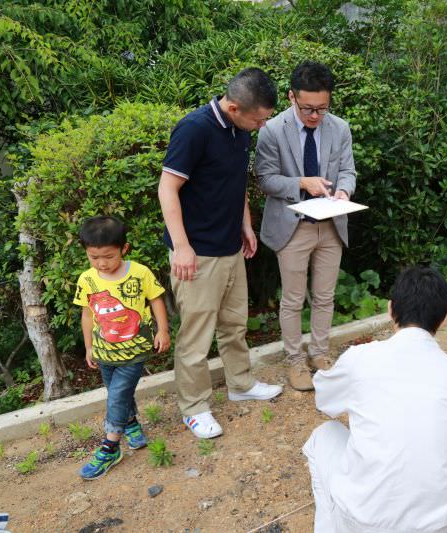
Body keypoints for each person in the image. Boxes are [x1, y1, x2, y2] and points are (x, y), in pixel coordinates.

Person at [158, 67, 283, 439]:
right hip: (196, 254)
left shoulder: (239, 130)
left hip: (230, 247)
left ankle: (240, 384)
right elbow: (168, 189)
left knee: (234, 325)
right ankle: (194, 408)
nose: (262, 125)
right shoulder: (194, 129)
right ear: (233, 107)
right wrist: (182, 246)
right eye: (258, 119)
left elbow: (235, 181)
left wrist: (245, 224)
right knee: (195, 339)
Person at [303, 267, 447, 532]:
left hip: (364, 523)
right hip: (442, 527)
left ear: (390, 308)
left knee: (325, 434)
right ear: (444, 319)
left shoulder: (360, 358)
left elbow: (325, 403)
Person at [256, 61, 356, 392]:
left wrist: (344, 190)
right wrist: (302, 182)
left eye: (322, 109)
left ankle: (320, 354)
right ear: (291, 97)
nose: (315, 116)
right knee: (293, 299)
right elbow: (266, 179)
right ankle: (295, 360)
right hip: (292, 225)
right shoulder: (271, 130)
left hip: (330, 224)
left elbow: (348, 171)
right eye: (308, 109)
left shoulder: (339, 128)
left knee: (325, 295)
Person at [73, 216, 170, 479]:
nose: (101, 263)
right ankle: (131, 424)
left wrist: (162, 330)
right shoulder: (87, 279)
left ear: (123, 249)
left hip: (133, 351)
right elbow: (87, 314)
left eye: (108, 256)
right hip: (104, 352)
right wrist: (89, 346)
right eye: (94, 257)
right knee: (119, 394)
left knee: (117, 395)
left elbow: (156, 300)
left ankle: (110, 446)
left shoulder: (139, 273)